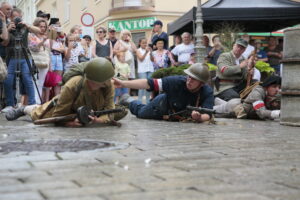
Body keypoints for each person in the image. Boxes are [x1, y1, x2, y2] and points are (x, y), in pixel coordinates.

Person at [5, 58, 128, 127]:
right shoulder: (73, 85)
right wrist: (68, 123)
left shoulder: (108, 85)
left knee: (121, 112)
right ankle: (24, 109)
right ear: (93, 80)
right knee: (39, 113)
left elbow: (109, 110)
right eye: (105, 80)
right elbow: (59, 113)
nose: (109, 82)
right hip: (68, 108)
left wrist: (99, 120)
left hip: (91, 109)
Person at [113, 63, 214, 123]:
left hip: (175, 116)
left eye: (194, 79)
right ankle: (128, 100)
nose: (189, 80)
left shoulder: (207, 92)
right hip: (161, 106)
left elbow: (208, 114)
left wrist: (199, 117)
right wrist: (123, 83)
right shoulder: (176, 81)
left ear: (201, 83)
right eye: (189, 77)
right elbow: (149, 83)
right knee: (140, 112)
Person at [2, 8, 42, 112]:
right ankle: (10, 104)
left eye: (18, 17)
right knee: (8, 80)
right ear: (10, 17)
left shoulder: (25, 27)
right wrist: (8, 28)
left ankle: (32, 103)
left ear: (21, 17)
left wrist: (27, 25)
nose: (16, 19)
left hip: (25, 57)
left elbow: (39, 31)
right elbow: (4, 42)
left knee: (27, 79)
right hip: (11, 57)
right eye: (14, 17)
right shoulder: (7, 27)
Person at [28, 17, 50, 104]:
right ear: (36, 26)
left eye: (44, 26)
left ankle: (38, 102)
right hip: (35, 61)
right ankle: (35, 102)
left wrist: (50, 64)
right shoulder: (31, 35)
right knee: (35, 82)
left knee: (41, 82)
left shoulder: (45, 36)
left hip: (45, 62)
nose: (43, 28)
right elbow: (34, 48)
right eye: (41, 26)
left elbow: (48, 50)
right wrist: (42, 42)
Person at [136, 38, 154, 103]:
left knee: (149, 86)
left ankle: (147, 101)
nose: (145, 44)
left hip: (150, 69)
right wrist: (146, 52)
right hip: (142, 70)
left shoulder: (149, 50)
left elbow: (152, 60)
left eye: (145, 43)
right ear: (140, 43)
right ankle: (139, 101)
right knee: (142, 86)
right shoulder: (138, 50)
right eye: (143, 43)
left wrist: (151, 53)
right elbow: (141, 59)